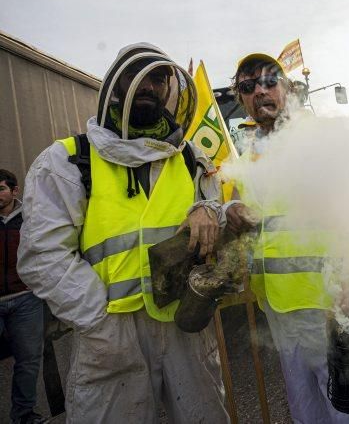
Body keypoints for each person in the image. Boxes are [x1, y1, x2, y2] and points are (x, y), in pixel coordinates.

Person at [17, 43, 229, 423]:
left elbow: (217, 211)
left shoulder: (191, 156)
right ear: (115, 84)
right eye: (137, 76)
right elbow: (41, 255)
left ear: (169, 89)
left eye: (157, 78)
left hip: (184, 321)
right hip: (110, 330)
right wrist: (100, 320)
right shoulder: (67, 158)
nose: (147, 86)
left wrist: (209, 209)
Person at [224, 53, 349, 423]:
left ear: (288, 89)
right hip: (282, 311)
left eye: (269, 81)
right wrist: (231, 210)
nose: (259, 91)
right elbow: (252, 216)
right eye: (248, 87)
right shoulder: (252, 155)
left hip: (331, 306)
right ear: (242, 98)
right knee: (307, 413)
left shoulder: (319, 138)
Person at [1, 170, 46, 424]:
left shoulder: (29, 218)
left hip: (25, 300)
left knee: (28, 362)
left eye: (1, 189)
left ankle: (23, 415)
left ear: (14, 191)